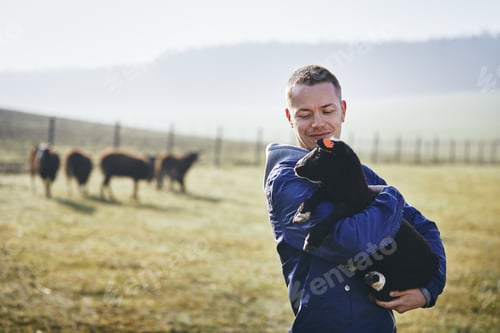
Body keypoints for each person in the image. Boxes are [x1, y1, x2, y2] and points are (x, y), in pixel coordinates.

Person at [263, 65, 446, 332]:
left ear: (343, 111)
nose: (318, 123)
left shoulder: (358, 173)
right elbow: (353, 242)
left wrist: (430, 288)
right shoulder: (286, 182)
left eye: (327, 111)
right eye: (304, 114)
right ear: (289, 117)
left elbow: (424, 227)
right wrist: (389, 194)